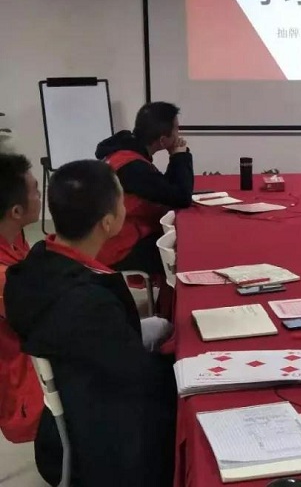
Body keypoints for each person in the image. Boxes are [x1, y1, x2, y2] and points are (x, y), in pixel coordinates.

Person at [4, 160, 176, 486]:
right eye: (122, 200)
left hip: (71, 405)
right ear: (108, 222)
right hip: (102, 437)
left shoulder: (36, 262)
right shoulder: (87, 302)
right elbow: (139, 375)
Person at [95, 101, 193, 274]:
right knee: (184, 250)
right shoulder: (133, 167)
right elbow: (181, 198)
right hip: (118, 250)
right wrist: (180, 157)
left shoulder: (124, 152)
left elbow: (164, 189)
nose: (179, 134)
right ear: (162, 140)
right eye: (176, 129)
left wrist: (176, 157)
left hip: (110, 238)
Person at [0, 153, 44, 444]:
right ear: (16, 211)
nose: (40, 197)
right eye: (36, 191)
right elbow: (44, 320)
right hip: (23, 379)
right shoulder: (3, 279)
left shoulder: (14, 237)